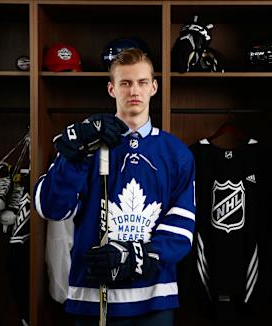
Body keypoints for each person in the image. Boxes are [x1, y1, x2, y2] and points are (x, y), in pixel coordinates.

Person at [34, 48, 196, 326]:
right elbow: (51, 208)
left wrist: (138, 257)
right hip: (92, 296)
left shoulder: (176, 153)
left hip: (154, 296)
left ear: (154, 87)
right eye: (125, 83)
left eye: (142, 82)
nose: (134, 90)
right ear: (111, 89)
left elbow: (182, 227)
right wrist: (72, 156)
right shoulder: (86, 144)